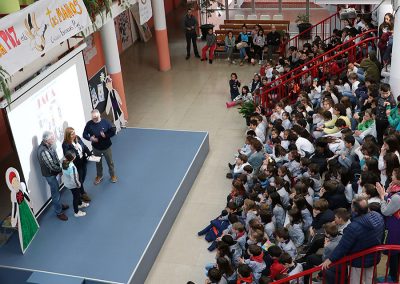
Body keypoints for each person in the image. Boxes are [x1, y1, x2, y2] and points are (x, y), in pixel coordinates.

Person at [321, 196, 385, 284]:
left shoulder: (353, 227)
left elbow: (343, 246)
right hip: (373, 256)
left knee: (356, 281)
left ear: (354, 209)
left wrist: (330, 259)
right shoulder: (378, 216)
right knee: (369, 279)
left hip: (357, 260)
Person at [37, 131, 69, 221]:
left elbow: (55, 158)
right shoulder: (43, 151)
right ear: (47, 140)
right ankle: (59, 212)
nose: (54, 139)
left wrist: (59, 168)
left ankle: (59, 205)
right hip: (50, 175)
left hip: (54, 172)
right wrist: (61, 170)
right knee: (55, 193)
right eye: (52, 138)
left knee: (57, 192)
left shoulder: (48, 146)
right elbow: (51, 165)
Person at [83, 109, 117, 185]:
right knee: (98, 163)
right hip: (96, 148)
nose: (95, 118)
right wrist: (90, 138)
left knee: (110, 162)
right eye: (93, 117)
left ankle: (113, 175)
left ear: (99, 115)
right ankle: (99, 176)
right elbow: (84, 134)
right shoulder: (89, 124)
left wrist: (106, 135)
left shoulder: (106, 122)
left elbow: (113, 131)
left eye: (96, 117)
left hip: (106, 147)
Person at [62, 127, 91, 202]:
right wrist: (75, 149)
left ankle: (80, 189)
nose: (74, 135)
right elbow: (67, 155)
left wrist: (89, 153)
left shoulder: (77, 138)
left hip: (83, 161)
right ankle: (82, 193)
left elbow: (84, 146)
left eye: (74, 133)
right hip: (76, 164)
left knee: (83, 176)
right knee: (79, 179)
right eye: (72, 134)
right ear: (68, 135)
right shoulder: (65, 144)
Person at [62, 151, 89, 217]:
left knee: (76, 194)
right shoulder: (71, 167)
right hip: (73, 185)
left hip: (68, 183)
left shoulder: (64, 163)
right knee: (76, 197)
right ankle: (76, 212)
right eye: (74, 156)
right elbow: (74, 178)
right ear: (72, 158)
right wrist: (78, 184)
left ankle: (80, 204)